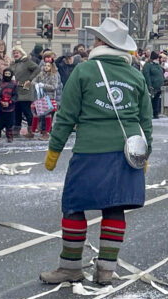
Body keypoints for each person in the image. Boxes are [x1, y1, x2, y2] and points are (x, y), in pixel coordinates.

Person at [40, 17, 152, 285]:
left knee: (74, 207)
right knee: (114, 208)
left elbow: (66, 116)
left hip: (91, 151)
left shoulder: (84, 72)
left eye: (97, 39)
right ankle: (105, 270)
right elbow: (145, 120)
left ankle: (70, 268)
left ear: (102, 43)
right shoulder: (135, 75)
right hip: (127, 153)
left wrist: (54, 150)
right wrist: (144, 155)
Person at [12, 44, 40, 139]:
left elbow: (37, 69)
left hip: (25, 90)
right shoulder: (13, 63)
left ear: (21, 53)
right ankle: (16, 130)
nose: (16, 54)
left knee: (27, 110)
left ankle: (31, 130)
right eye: (14, 53)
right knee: (17, 111)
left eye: (17, 52)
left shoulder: (27, 62)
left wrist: (30, 79)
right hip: (16, 90)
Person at [32, 55, 62, 140]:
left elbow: (54, 86)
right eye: (45, 65)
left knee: (48, 115)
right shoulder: (40, 74)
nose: (46, 67)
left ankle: (47, 132)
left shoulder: (54, 75)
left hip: (50, 98)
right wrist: (36, 85)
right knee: (40, 115)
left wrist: (43, 85)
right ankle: (40, 131)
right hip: (41, 97)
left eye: (48, 65)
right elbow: (33, 81)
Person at [0, 68, 18, 143]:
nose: (7, 75)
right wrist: (0, 101)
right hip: (0, 106)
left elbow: (15, 95)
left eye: (9, 74)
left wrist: (10, 102)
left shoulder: (14, 84)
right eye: (6, 74)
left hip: (10, 106)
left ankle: (9, 136)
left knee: (9, 122)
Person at [143, 51, 165, 119]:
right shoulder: (148, 65)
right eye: (157, 58)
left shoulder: (157, 65)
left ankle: (156, 113)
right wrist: (149, 85)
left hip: (159, 86)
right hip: (153, 86)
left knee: (156, 100)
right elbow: (147, 75)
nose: (158, 60)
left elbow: (161, 73)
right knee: (151, 100)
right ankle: (150, 113)